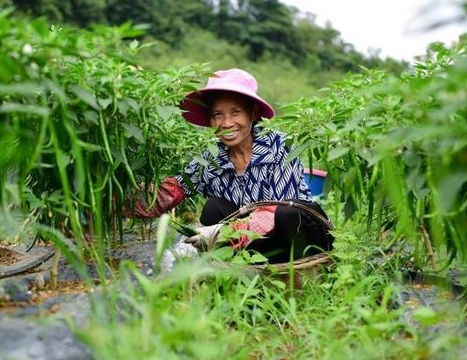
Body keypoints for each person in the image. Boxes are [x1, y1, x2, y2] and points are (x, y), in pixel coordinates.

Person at [129, 69, 333, 263]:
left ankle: (299, 279)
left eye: (236, 112)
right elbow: (171, 191)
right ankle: (241, 272)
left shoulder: (279, 145)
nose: (226, 123)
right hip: (257, 248)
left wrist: (221, 232)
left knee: (286, 215)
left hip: (302, 239)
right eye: (218, 114)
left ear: (252, 114)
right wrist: (117, 200)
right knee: (213, 208)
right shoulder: (210, 156)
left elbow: (281, 209)